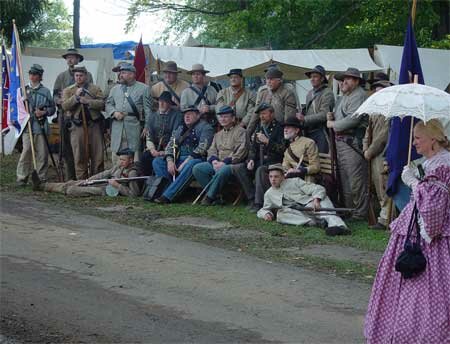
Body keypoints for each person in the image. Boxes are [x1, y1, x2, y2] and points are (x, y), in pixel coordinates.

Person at [364, 119, 450, 343]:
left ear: (433, 139)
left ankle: (423, 334)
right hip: (416, 228)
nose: (413, 143)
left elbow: (432, 210)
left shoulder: (443, 164)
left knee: (431, 289)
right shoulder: (431, 162)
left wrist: (413, 182)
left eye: (418, 138)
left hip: (432, 238)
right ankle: (401, 329)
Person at [257, 164, 349, 236]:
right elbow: (263, 209)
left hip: (311, 204)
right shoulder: (269, 194)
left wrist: (316, 200)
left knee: (325, 209)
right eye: (271, 177)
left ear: (282, 177)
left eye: (276, 176)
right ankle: (315, 223)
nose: (273, 179)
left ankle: (339, 227)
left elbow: (317, 188)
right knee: (281, 215)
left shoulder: (295, 181)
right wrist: (266, 214)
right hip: (298, 213)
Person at [326, 67, 368, 220]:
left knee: (356, 179)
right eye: (343, 79)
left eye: (348, 79)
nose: (344, 81)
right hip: (341, 142)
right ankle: (350, 209)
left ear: (356, 81)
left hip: (352, 142)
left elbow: (353, 119)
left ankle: (360, 212)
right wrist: (331, 116)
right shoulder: (343, 97)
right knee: (345, 179)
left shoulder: (359, 95)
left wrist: (333, 124)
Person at [152, 106, 214, 203]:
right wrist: (169, 161)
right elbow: (170, 145)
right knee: (157, 162)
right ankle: (166, 191)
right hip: (178, 159)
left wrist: (185, 163)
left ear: (198, 115)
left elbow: (202, 148)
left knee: (191, 164)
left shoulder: (206, 127)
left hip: (196, 160)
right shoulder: (180, 128)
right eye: (185, 114)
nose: (187, 116)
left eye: (190, 114)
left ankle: (168, 196)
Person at [232, 103, 285, 212]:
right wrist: (251, 159)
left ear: (272, 114)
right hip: (258, 160)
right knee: (237, 167)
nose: (261, 116)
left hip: (274, 162)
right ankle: (251, 198)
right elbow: (253, 148)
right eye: (260, 114)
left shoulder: (280, 128)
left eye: (264, 113)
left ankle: (258, 203)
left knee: (260, 170)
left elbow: (283, 149)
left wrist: (267, 141)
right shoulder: (259, 128)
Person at [192, 105, 248, 205]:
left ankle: (209, 197)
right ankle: (217, 196)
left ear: (233, 118)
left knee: (224, 169)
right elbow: (212, 149)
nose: (223, 119)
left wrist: (224, 163)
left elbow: (242, 151)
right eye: (221, 117)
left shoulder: (241, 132)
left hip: (233, 164)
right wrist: (214, 161)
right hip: (217, 163)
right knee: (198, 168)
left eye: (226, 116)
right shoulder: (218, 134)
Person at [32, 148, 143, 197]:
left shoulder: (132, 173)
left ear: (131, 160)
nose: (120, 162)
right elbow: (105, 173)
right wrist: (90, 179)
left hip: (105, 191)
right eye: (120, 159)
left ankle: (47, 187)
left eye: (123, 160)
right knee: (72, 183)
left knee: (72, 190)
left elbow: (134, 194)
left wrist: (117, 185)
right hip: (102, 183)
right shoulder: (119, 166)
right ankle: (42, 186)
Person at [53, 48, 94, 180]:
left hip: (82, 116)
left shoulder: (88, 75)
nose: (70, 59)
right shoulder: (61, 76)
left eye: (73, 57)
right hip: (65, 115)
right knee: (66, 148)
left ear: (78, 59)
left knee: (83, 147)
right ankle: (70, 177)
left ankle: (85, 176)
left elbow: (91, 93)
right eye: (68, 57)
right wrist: (60, 101)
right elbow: (55, 95)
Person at [61, 65, 105, 180]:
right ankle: (82, 180)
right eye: (76, 75)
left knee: (98, 155)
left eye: (81, 75)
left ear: (85, 76)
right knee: (79, 155)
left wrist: (88, 101)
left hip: (93, 125)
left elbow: (102, 104)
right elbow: (64, 106)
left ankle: (96, 180)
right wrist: (75, 97)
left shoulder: (94, 89)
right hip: (77, 126)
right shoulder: (68, 90)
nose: (79, 78)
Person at [16, 64, 56, 186]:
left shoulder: (45, 91)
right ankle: (22, 177)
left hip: (41, 127)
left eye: (35, 74)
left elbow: (52, 108)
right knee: (26, 151)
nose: (33, 76)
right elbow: (17, 108)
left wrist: (44, 112)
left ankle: (40, 177)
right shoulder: (22, 90)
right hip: (28, 127)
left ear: (40, 76)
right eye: (31, 74)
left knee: (42, 153)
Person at [106, 63, 152, 164]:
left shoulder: (144, 89)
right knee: (116, 160)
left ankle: (133, 178)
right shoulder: (114, 89)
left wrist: (147, 127)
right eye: (120, 73)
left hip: (134, 128)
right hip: (117, 129)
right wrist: (114, 112)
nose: (120, 75)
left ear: (132, 74)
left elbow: (148, 110)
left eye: (124, 73)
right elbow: (108, 104)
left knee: (135, 160)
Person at [363, 79, 393, 229]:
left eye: (380, 90)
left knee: (384, 185)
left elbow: (383, 135)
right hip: (373, 154)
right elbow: (368, 132)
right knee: (377, 184)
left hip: (383, 153)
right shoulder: (375, 111)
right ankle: (383, 216)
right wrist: (365, 148)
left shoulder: (388, 111)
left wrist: (370, 151)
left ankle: (385, 218)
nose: (377, 93)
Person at [140, 91, 183, 176]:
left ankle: (164, 183)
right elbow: (149, 135)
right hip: (155, 148)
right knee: (145, 158)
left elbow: (175, 136)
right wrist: (152, 150)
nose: (162, 104)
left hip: (171, 148)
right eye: (160, 101)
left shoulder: (177, 116)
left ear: (170, 104)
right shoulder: (153, 116)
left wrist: (165, 152)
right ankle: (147, 183)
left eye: (165, 102)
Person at [247, 67, 298, 134]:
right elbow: (255, 115)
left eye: (271, 79)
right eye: (267, 79)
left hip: (280, 129)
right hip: (264, 129)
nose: (268, 82)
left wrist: (285, 134)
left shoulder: (287, 93)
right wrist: (248, 133)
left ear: (279, 80)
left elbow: (289, 118)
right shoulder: (263, 92)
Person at [297, 65, 334, 153]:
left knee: (321, 158)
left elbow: (324, 114)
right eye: (311, 77)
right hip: (309, 131)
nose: (312, 79)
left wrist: (304, 118)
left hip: (321, 131)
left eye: (315, 77)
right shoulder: (309, 93)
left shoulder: (327, 93)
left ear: (322, 79)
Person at [282, 117, 321, 183]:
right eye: (285, 127)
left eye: (288, 127)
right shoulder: (288, 149)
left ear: (297, 130)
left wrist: (300, 170)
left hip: (307, 178)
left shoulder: (308, 143)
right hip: (293, 179)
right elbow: (285, 167)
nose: (285, 130)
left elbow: (316, 166)